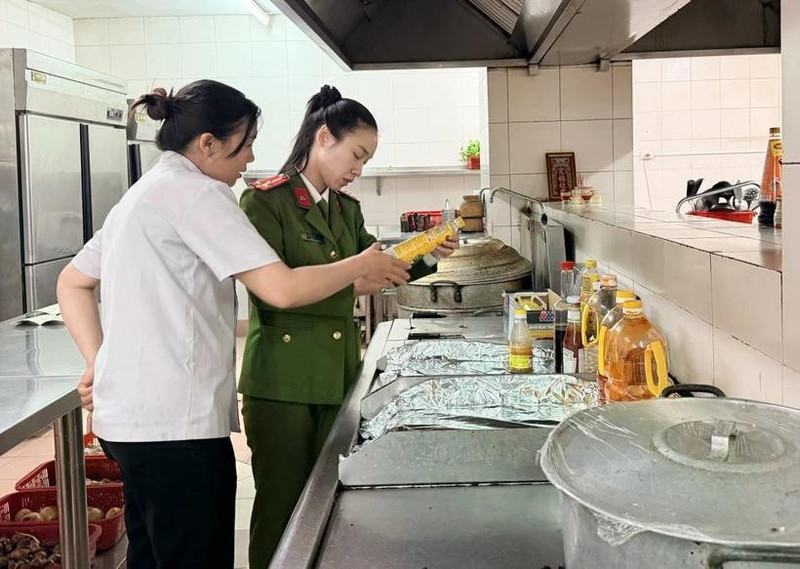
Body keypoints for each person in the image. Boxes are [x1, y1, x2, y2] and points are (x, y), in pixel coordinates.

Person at [56, 80, 410, 569]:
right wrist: (358, 265)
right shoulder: (199, 194)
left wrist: (100, 364)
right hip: (176, 427)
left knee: (151, 556)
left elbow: (71, 282)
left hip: (129, 425)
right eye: (245, 145)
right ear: (208, 143)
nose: (251, 158)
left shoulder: (143, 193)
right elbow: (281, 289)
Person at [238, 85, 458, 567]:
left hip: (336, 374)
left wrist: (427, 254)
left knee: (328, 502)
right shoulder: (265, 203)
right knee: (281, 506)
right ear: (324, 137)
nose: (359, 168)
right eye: (357, 155)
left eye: (366, 159)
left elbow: (373, 272)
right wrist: (357, 274)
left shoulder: (345, 209)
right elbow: (275, 291)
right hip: (282, 383)